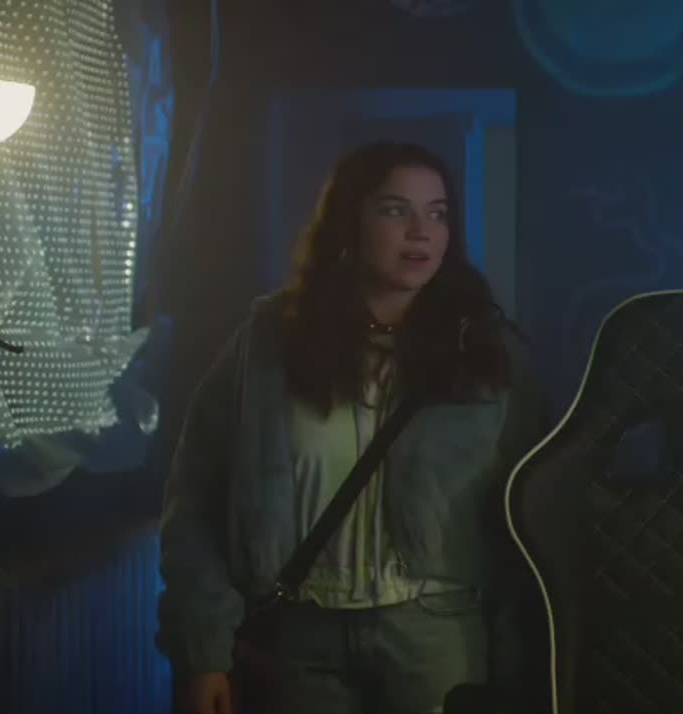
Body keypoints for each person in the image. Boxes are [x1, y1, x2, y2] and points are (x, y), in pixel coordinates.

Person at [157, 141, 549, 713]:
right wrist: (203, 651)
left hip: (436, 632)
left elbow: (530, 516)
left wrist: (523, 664)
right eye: (395, 210)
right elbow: (196, 501)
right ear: (350, 222)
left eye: (437, 213)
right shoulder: (269, 342)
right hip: (297, 637)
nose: (421, 231)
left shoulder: (486, 352)